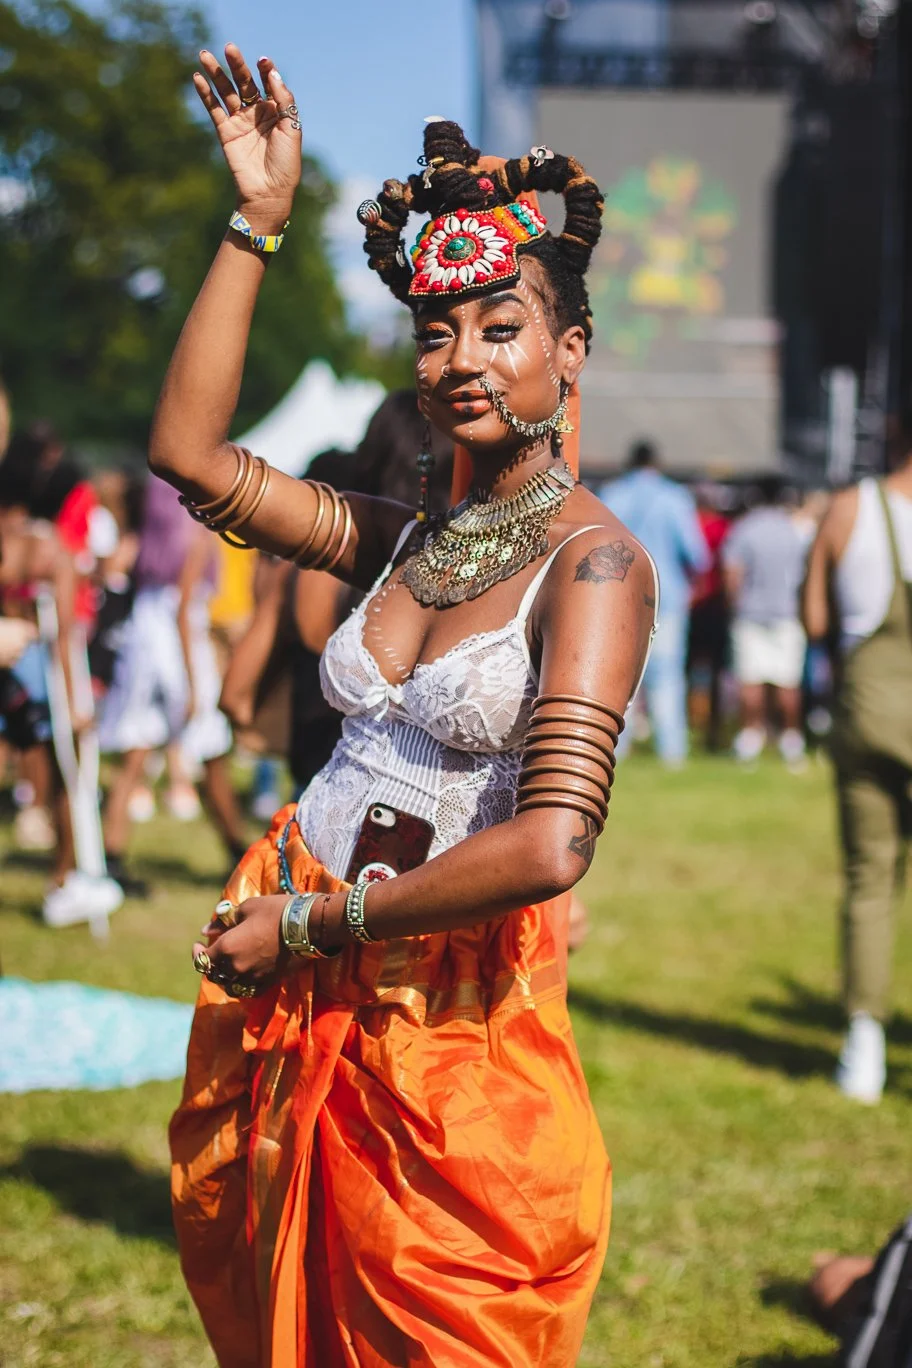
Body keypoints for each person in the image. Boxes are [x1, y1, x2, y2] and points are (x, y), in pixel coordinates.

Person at [160, 46, 657, 1367]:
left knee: (442, 1325)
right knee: (287, 1312)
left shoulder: (596, 565)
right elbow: (191, 459)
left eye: (501, 328)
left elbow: (556, 845)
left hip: (442, 1011)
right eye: (436, 332)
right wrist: (256, 223)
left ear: (572, 346)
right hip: (300, 966)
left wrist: (323, 926)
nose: (462, 361)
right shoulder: (396, 539)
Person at [801, 438, 912, 1104]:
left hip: (867, 715)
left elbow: (814, 617)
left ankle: (862, 1046)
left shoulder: (851, 507)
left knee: (870, 880)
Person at [99, 475, 247, 893]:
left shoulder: (146, 542)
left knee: (135, 759)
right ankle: (239, 853)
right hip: (178, 651)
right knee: (212, 754)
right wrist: (192, 682)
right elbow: (184, 612)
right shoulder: (197, 538)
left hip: (142, 647)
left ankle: (109, 856)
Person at [599, 439, 707, 766]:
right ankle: (671, 752)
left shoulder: (612, 495)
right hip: (666, 597)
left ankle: (614, 750)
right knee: (667, 677)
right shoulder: (674, 497)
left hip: (617, 599)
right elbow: (696, 555)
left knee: (619, 677)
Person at [723, 476, 809, 769]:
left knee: (751, 681)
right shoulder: (792, 530)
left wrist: (734, 604)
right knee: (788, 684)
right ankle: (791, 739)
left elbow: (733, 572)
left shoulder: (746, 528)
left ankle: (750, 738)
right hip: (787, 613)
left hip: (751, 612)